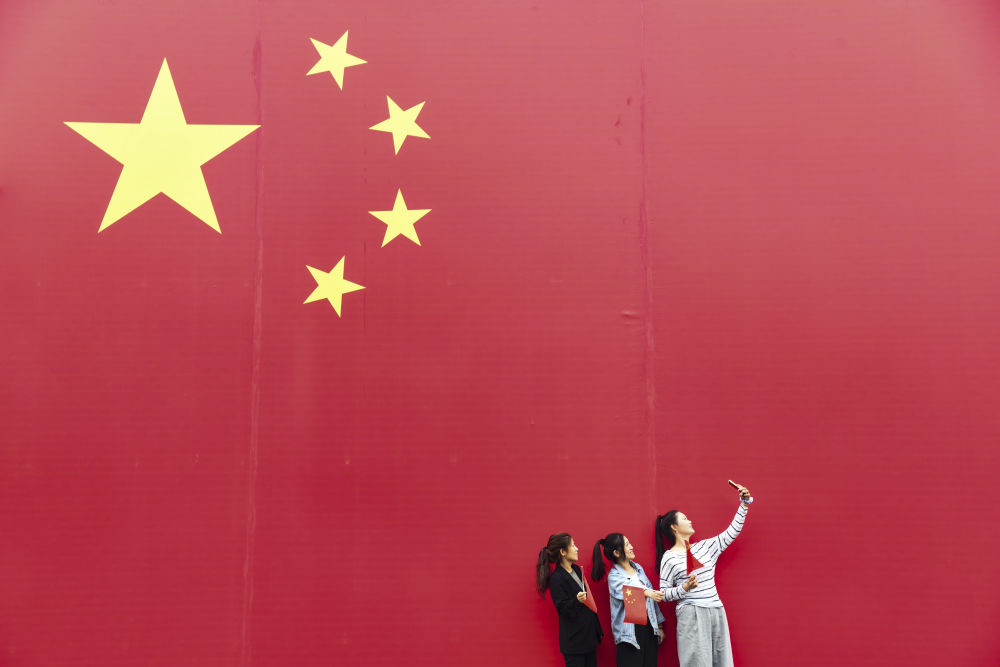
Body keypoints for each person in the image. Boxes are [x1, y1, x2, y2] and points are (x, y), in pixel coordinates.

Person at [655, 481, 753, 667]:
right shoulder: (669, 557)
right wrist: (684, 588)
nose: (690, 521)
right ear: (674, 527)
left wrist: (744, 504)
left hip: (716, 609)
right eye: (684, 519)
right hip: (691, 613)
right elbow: (663, 594)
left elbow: (731, 532)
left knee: (723, 662)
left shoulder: (706, 547)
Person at [591, 533, 665, 667]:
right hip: (629, 634)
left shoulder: (638, 569)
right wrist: (648, 592)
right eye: (626, 545)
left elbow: (651, 600)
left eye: (629, 543)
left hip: (649, 627)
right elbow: (628, 590)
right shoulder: (614, 576)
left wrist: (659, 626)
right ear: (617, 552)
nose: (631, 547)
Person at [538, 533, 604, 667]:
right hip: (575, 644)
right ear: (563, 552)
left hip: (588, 639)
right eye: (573, 545)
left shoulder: (577, 570)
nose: (577, 548)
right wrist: (577, 600)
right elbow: (562, 609)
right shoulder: (557, 578)